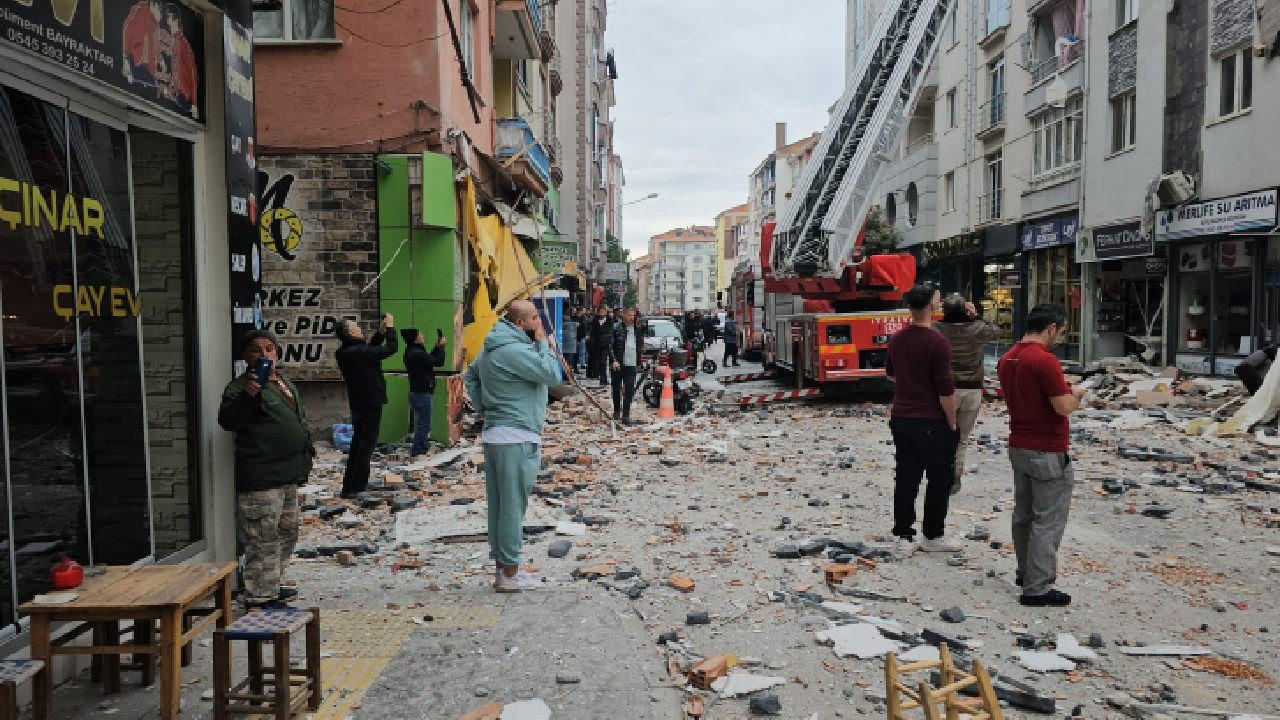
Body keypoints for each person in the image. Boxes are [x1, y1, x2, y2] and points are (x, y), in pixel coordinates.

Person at [463, 301, 561, 592]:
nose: (538, 324)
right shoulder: (515, 351)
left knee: (500, 506)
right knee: (512, 509)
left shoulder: (493, 346)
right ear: (520, 324)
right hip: (516, 436)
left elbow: (471, 375)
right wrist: (543, 344)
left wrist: (486, 408)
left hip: (498, 434)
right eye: (534, 318)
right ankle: (509, 574)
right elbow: (552, 375)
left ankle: (502, 570)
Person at [997, 304, 1086, 607]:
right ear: (1051, 328)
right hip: (1046, 448)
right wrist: (1077, 395)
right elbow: (1062, 407)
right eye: (1060, 332)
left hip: (1019, 444)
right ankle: (1037, 587)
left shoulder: (1008, 358)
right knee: (1047, 520)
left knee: (1024, 515)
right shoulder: (1045, 361)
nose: (1058, 337)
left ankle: (1026, 572)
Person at [217, 330, 314, 608]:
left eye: (269, 349)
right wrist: (249, 396)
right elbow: (229, 421)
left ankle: (270, 585)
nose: (264, 355)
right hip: (262, 479)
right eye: (256, 350)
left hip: (288, 477)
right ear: (245, 356)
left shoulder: (283, 383)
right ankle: (259, 597)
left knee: (288, 532)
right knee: (262, 539)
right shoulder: (241, 388)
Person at [885, 285, 961, 552]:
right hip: (931, 419)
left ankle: (903, 533)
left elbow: (891, 374)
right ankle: (932, 534)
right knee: (940, 478)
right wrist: (952, 422)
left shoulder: (896, 339)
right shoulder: (937, 342)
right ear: (932, 306)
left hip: (902, 417)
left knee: (907, 476)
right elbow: (945, 390)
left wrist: (911, 381)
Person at [933, 294, 1000, 495]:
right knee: (962, 438)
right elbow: (996, 331)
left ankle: (940, 477)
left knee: (942, 435)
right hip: (972, 390)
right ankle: (955, 479)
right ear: (965, 310)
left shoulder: (936, 330)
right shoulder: (977, 329)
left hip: (945, 392)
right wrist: (976, 315)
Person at [335, 313, 397, 498]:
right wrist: (391, 328)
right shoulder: (359, 352)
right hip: (370, 402)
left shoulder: (345, 352)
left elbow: (370, 349)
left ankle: (349, 486)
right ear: (351, 332)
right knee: (366, 445)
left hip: (358, 402)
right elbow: (391, 349)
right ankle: (358, 487)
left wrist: (379, 333)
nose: (360, 329)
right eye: (357, 327)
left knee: (357, 443)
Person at [402, 327, 447, 456]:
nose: (422, 335)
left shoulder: (414, 352)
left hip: (419, 392)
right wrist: (442, 348)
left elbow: (429, 360)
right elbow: (438, 362)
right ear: (416, 338)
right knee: (424, 424)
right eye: (420, 333)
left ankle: (423, 445)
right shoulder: (416, 354)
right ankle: (418, 450)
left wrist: (437, 348)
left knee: (424, 423)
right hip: (422, 393)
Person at [608, 307, 644, 424]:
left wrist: (639, 361)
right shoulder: (616, 327)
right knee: (616, 388)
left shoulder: (637, 329)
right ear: (623, 315)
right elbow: (610, 345)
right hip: (618, 363)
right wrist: (613, 360)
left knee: (629, 389)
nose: (631, 318)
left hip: (631, 363)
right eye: (629, 315)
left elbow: (639, 345)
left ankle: (626, 415)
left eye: (633, 316)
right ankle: (617, 409)